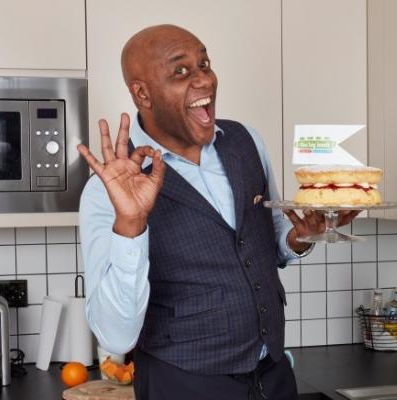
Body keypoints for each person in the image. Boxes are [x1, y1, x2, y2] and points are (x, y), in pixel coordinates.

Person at [78, 24, 359, 400]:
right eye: (181, 71)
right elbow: (115, 335)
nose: (204, 80)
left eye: (204, 64)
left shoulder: (246, 142)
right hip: (183, 384)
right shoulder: (106, 191)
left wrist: (299, 235)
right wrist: (131, 223)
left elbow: (269, 240)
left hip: (273, 374)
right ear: (142, 93)